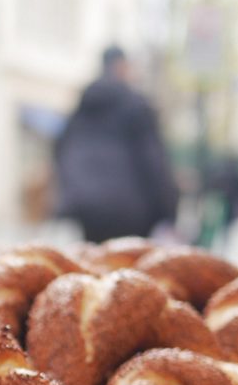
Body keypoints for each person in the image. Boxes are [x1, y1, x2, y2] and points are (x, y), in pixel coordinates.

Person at [54, 46, 179, 242]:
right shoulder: (136, 106)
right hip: (132, 211)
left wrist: (70, 196)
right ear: (121, 66)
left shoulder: (83, 107)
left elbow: (61, 151)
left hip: (88, 209)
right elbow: (153, 162)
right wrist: (168, 212)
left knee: (94, 263)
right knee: (128, 265)